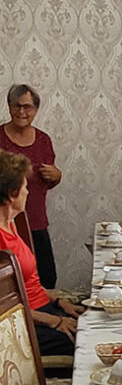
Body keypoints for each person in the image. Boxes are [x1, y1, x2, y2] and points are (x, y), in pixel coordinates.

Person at [0, 150, 81, 355]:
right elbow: (6, 309)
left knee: (99, 318)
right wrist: (55, 321)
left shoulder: (11, 224)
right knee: (89, 342)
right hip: (27, 324)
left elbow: (29, 285)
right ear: (12, 194)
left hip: (43, 309)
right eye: (25, 187)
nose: (28, 192)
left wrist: (59, 301)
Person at [0, 83, 61, 289]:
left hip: (36, 222)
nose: (21, 112)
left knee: (46, 280)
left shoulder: (43, 140)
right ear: (9, 106)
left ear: (36, 109)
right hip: (5, 227)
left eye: (27, 107)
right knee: (11, 287)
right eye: (16, 106)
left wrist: (57, 176)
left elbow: (47, 182)